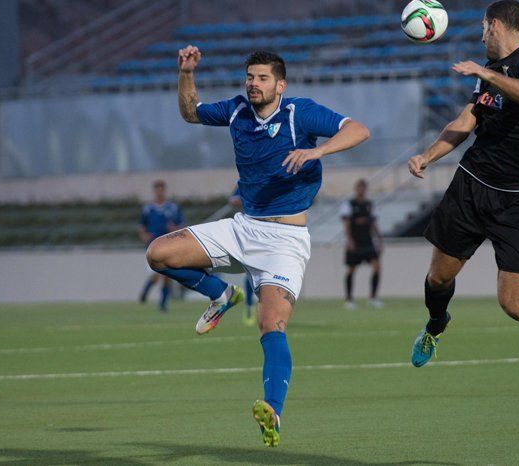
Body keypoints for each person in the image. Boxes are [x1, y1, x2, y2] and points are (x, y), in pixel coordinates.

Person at [146, 47, 369, 447]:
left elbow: (358, 130)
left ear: (280, 85)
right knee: (158, 254)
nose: (253, 83)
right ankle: (221, 294)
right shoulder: (235, 111)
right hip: (242, 227)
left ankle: (273, 410)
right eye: (250, 76)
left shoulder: (300, 112)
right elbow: (190, 111)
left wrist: (316, 150)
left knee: (271, 325)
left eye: (262, 78)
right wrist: (185, 73)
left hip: (285, 241)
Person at [406, 0, 519, 370]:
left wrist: (486, 73)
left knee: (514, 305)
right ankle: (436, 324)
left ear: (495, 25)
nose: (481, 36)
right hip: (473, 186)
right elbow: (465, 121)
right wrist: (427, 155)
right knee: (438, 278)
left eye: (482, 28)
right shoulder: (489, 71)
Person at [138, 180, 183, 311]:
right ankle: (145, 292)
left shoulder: (173, 208)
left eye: (161, 189)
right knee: (155, 276)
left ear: (164, 190)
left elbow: (181, 226)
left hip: (168, 246)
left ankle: (163, 304)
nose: (159, 192)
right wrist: (144, 236)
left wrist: (174, 228)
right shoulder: (148, 209)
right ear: (154, 191)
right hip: (152, 246)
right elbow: (141, 226)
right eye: (157, 189)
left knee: (168, 276)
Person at [340, 179, 383, 309]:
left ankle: (373, 297)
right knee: (351, 270)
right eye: (359, 187)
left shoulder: (370, 205)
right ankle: (349, 299)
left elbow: (374, 224)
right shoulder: (348, 204)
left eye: (363, 187)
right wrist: (349, 240)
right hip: (355, 241)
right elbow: (346, 224)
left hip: (368, 241)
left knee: (377, 267)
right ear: (355, 189)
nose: (361, 190)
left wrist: (380, 240)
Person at [229, 186, 257, 325]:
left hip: (273, 232)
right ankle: (249, 307)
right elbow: (233, 200)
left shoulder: (273, 176)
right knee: (250, 271)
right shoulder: (247, 180)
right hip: (250, 232)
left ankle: (274, 309)